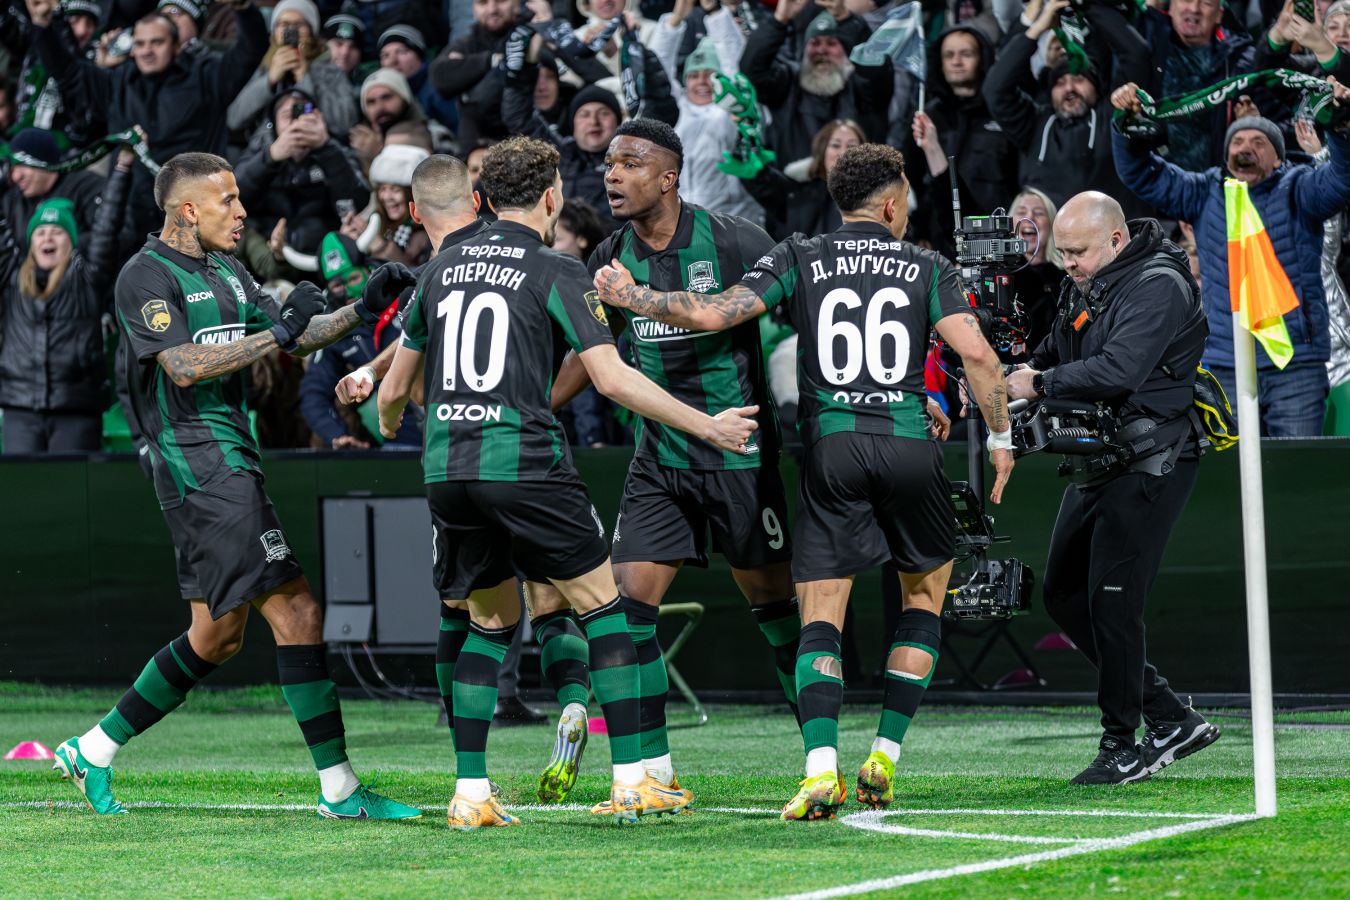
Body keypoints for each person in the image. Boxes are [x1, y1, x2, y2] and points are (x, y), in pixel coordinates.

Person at [593, 142, 1014, 821]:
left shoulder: (800, 254)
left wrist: (632, 296)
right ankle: (884, 755)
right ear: (892, 205)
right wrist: (999, 438)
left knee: (819, 615)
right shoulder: (927, 264)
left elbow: (715, 314)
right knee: (922, 601)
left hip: (833, 449)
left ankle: (820, 767)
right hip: (910, 444)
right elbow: (978, 355)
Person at [376, 135, 758, 828]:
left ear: (483, 199)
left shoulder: (438, 270)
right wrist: (707, 425)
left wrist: (404, 420)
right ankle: (632, 781)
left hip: (447, 470)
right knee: (605, 610)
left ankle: (470, 792)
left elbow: (394, 395)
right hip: (524, 464)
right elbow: (611, 379)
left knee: (489, 624)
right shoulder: (557, 268)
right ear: (552, 197)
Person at [51, 152, 420, 820]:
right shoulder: (144, 275)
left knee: (215, 637)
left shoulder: (227, 269)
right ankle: (339, 789)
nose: (243, 211)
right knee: (299, 610)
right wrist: (277, 333)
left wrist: (362, 308)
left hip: (227, 459)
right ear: (189, 209)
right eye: (228, 200)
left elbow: (295, 337)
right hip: (198, 464)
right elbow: (184, 366)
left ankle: (92, 750)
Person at [554, 119, 800, 809]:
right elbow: (592, 350)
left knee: (778, 614)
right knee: (628, 612)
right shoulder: (609, 254)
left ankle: (820, 756)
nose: (611, 174)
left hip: (739, 457)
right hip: (659, 461)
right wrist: (540, 407)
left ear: (668, 177)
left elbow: (802, 315)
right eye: (608, 163)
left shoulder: (735, 240)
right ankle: (653, 772)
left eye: (630, 163)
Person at [1005, 191, 1219, 784]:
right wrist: (1006, 370)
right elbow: (1055, 349)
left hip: (1154, 455)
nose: (1067, 263)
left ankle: (1121, 745)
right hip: (1100, 456)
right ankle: (1170, 715)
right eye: (1062, 252)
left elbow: (1120, 370)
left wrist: (1038, 382)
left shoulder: (1159, 283)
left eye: (1077, 252)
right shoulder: (1086, 280)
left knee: (1113, 602)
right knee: (1063, 594)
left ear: (1116, 240)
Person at [1112, 78, 1350, 435]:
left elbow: (1342, 179)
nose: (1245, 147)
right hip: (1226, 362)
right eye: (1237, 141)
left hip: (1296, 364)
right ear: (1225, 156)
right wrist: (1126, 126)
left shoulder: (1300, 187)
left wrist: (1340, 125)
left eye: (1258, 141)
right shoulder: (1205, 191)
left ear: (1279, 157)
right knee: (1230, 466)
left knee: (1296, 464)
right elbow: (1141, 175)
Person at [34, 2, 268, 241]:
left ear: (176, 45)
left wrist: (244, 9)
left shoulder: (207, 77)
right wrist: (42, 26)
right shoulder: (118, 83)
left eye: (157, 42)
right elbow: (68, 73)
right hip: (131, 219)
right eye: (140, 44)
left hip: (193, 220)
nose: (147, 51)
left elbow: (251, 49)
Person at [0, 147, 131, 454]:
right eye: (40, 232)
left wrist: (122, 169)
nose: (47, 238)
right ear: (30, 242)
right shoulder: (12, 277)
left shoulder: (88, 277)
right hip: (20, 408)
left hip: (76, 408)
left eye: (57, 232)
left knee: (72, 486)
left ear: (71, 242)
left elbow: (107, 225)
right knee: (24, 485)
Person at [983, 0, 1150, 213]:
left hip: (1114, 231)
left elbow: (1136, 54)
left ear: (1096, 87)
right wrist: (1037, 28)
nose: (1069, 88)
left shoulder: (1116, 116)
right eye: (1060, 83)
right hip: (1049, 234)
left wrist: (1085, 4)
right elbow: (994, 89)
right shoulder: (1033, 126)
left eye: (1079, 79)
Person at [298, 232, 419, 449]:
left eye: (353, 278)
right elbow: (313, 393)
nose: (348, 291)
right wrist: (337, 435)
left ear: (368, 271)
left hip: (442, 408)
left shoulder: (405, 289)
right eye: (337, 285)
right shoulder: (334, 327)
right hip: (400, 433)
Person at [739, 1, 892, 165]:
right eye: (815, 42)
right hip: (791, 180)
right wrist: (779, 20)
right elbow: (752, 71)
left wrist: (845, 19)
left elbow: (876, 67)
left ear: (847, 51)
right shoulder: (787, 83)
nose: (822, 50)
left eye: (831, 43)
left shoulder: (863, 88)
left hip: (856, 180)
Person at [234, 87, 371, 257]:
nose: (296, 122)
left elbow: (355, 205)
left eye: (303, 113)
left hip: (324, 252)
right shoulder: (260, 151)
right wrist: (271, 157)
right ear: (274, 125)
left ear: (319, 119)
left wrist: (326, 149)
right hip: (269, 252)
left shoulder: (336, 151)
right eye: (287, 116)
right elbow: (235, 198)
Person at [225, 0, 360, 141]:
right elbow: (234, 119)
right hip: (267, 149)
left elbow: (345, 124)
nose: (291, 30)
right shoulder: (263, 65)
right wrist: (269, 80)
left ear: (312, 30)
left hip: (316, 147)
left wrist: (304, 78)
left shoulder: (330, 71)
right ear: (274, 31)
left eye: (299, 24)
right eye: (283, 24)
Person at [742, 118, 861, 242]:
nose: (843, 152)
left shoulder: (872, 197)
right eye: (835, 145)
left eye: (851, 146)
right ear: (822, 149)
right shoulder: (795, 192)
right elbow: (762, 182)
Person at [0, 127, 105, 242]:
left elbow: (106, 235)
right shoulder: (13, 200)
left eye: (22, 165)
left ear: (44, 162)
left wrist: (65, 247)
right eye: (12, 169)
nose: (16, 177)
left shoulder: (85, 185)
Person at [377, 24, 459, 131]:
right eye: (385, 56)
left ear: (419, 56)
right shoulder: (378, 92)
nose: (392, 61)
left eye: (401, 52)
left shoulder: (438, 88)